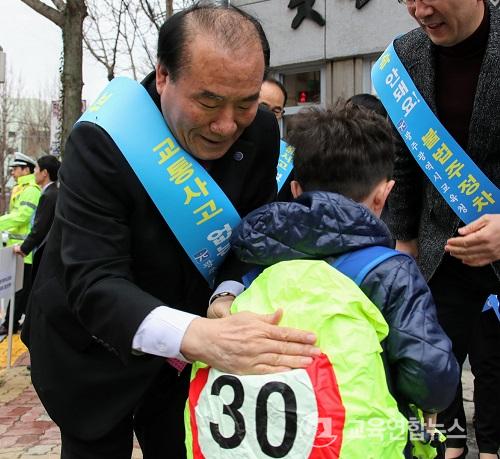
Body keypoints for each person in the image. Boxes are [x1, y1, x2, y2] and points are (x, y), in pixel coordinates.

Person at [22, 4, 319, 459]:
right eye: (209, 102)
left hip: (189, 361)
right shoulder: (102, 139)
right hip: (93, 347)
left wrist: (225, 294)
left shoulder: (260, 131)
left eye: (244, 103)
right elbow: (94, 280)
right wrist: (199, 335)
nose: (226, 125)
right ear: (164, 76)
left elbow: (252, 233)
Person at [222, 103, 458, 458]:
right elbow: (429, 372)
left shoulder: (258, 257)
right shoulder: (389, 271)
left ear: (296, 189)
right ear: (384, 194)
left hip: (267, 439)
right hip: (359, 441)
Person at [388, 1, 500, 457]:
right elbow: (403, 161)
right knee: (432, 373)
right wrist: (404, 247)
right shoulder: (405, 56)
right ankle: (447, 449)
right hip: (438, 256)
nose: (419, 10)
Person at [0, 152, 41, 336]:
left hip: (25, 251)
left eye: (16, 169)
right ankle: (15, 321)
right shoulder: (20, 189)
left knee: (20, 290)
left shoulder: (31, 190)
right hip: (17, 249)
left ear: (26, 170)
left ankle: (11, 323)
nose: (13, 172)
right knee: (18, 289)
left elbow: (22, 216)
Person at [13, 155, 61, 278]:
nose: (34, 172)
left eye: (36, 169)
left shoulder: (48, 196)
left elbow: (40, 227)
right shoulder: (54, 192)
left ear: (44, 173)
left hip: (46, 253)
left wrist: (23, 248)